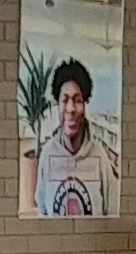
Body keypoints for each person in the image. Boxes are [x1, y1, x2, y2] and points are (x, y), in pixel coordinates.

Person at [27, 56, 123, 222]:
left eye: (77, 100)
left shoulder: (100, 157)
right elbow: (42, 213)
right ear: (57, 105)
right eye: (65, 100)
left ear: (85, 105)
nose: (71, 108)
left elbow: (112, 215)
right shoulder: (47, 155)